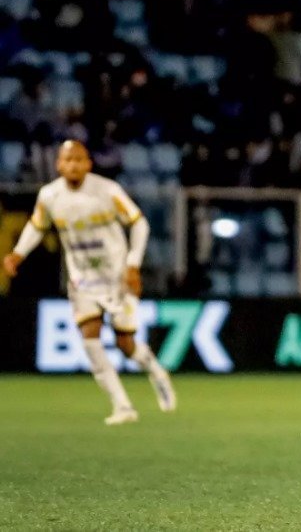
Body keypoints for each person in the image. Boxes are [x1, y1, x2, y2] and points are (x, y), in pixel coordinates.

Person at [3, 141, 176, 425]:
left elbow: (139, 223)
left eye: (78, 159)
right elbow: (37, 225)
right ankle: (122, 406)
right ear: (59, 164)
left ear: (88, 164)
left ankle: (156, 371)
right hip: (82, 279)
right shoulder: (50, 195)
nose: (73, 165)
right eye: (67, 160)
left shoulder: (107, 191)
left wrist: (133, 264)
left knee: (125, 344)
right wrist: (18, 254)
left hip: (117, 275)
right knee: (90, 339)